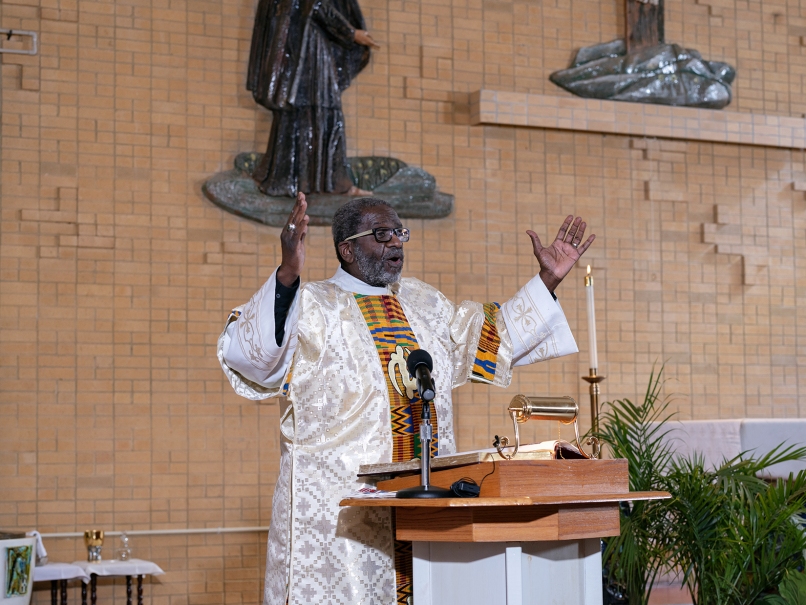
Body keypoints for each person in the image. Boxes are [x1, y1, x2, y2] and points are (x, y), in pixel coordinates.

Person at [218, 194, 595, 605]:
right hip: (340, 515)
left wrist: (548, 281)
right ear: (347, 248)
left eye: (400, 233)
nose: (396, 243)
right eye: (382, 234)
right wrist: (288, 275)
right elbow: (252, 358)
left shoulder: (423, 302)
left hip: (424, 508)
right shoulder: (310, 305)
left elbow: (489, 340)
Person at [246, 0, 378, 197]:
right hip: (308, 47)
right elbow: (316, 5)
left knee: (306, 110)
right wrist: (351, 33)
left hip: (299, 46)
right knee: (322, 108)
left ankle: (307, 181)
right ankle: (324, 183)